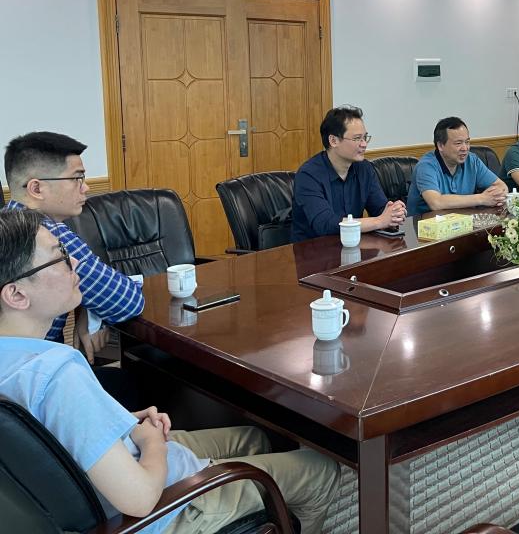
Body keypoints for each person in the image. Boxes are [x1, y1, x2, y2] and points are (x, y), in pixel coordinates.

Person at [0, 208, 343, 533]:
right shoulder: (58, 373)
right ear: (16, 294)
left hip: (113, 466)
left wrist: (119, 421)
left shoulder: (19, 363)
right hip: (169, 509)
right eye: (60, 256)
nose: (75, 262)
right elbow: (139, 499)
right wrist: (152, 442)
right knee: (322, 469)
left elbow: (50, 436)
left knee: (257, 437)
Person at [3, 132, 144, 363]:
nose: (85, 187)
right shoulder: (47, 234)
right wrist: (94, 306)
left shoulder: (7, 223)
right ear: (36, 188)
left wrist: (87, 308)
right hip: (33, 372)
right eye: (76, 178)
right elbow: (127, 301)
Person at [292, 106, 406, 242]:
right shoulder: (308, 175)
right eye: (357, 138)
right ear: (333, 141)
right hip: (314, 250)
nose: (364, 144)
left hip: (353, 246)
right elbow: (325, 224)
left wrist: (394, 212)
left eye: (365, 137)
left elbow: (380, 209)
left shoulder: (364, 169)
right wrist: (380, 221)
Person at [406, 117, 508, 215]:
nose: (465, 148)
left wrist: (496, 196)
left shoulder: (472, 160)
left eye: (467, 142)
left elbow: (501, 186)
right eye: (458, 143)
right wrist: (482, 198)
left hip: (463, 222)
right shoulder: (426, 166)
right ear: (440, 145)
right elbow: (436, 203)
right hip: (426, 224)